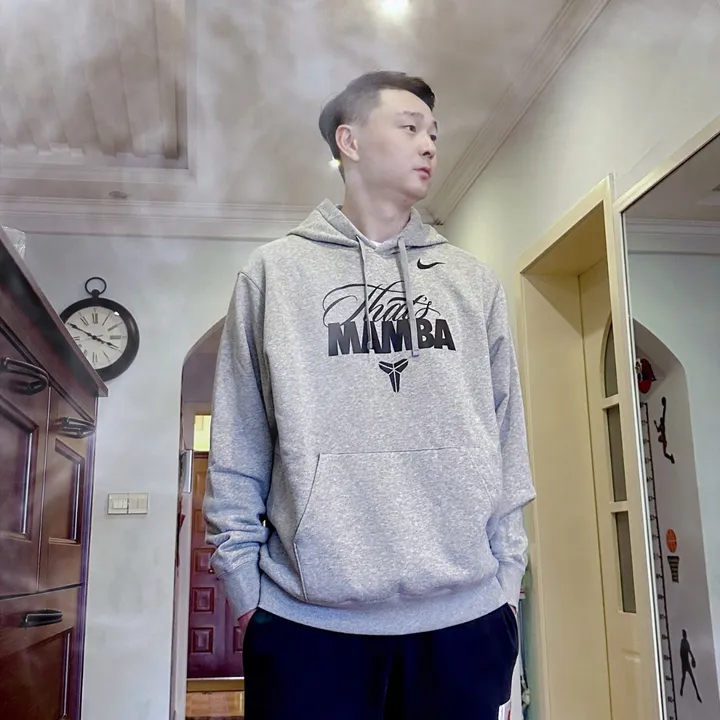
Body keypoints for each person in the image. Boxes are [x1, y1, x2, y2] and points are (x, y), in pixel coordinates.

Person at [204, 70, 536, 720]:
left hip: (465, 617)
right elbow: (239, 439)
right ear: (349, 141)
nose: (430, 144)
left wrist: (507, 577)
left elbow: (505, 434)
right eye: (409, 127)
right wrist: (244, 586)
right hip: (307, 623)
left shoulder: (472, 282)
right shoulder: (274, 275)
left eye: (434, 132)